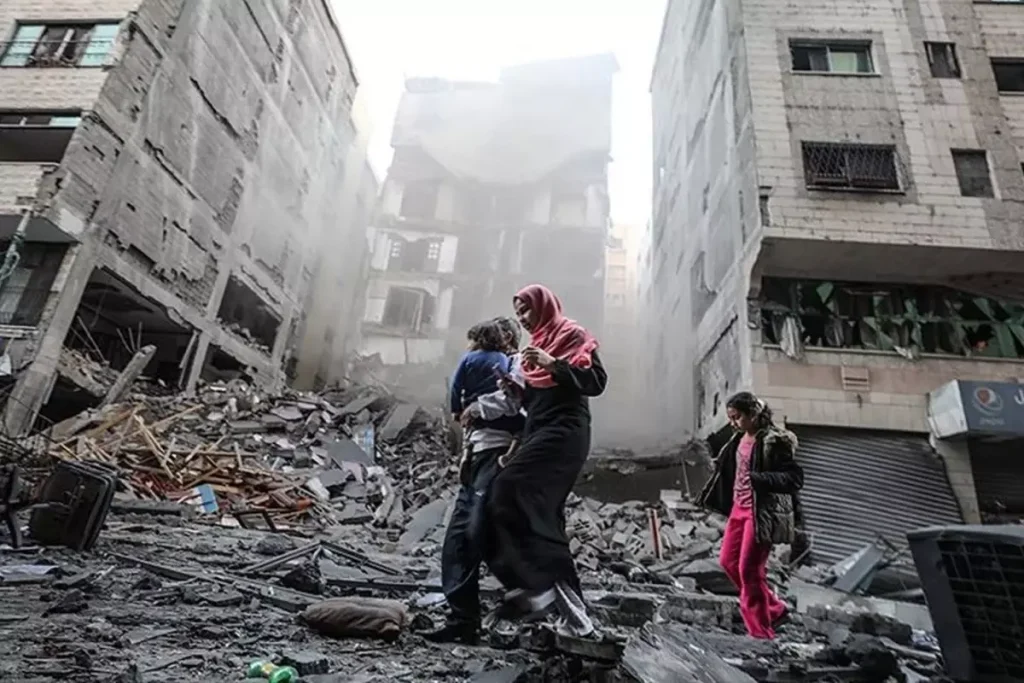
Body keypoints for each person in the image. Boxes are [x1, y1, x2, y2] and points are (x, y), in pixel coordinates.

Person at [476, 284, 606, 637]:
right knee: (538, 513)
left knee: (509, 491)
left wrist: (553, 363)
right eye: (517, 311)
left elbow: (595, 382)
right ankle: (569, 610)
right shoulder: (528, 354)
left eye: (526, 309)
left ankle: (538, 587)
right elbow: (533, 406)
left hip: (566, 431)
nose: (522, 317)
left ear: (544, 306)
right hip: (538, 431)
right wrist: (515, 392)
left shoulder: (571, 335)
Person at [426, 320, 524, 644]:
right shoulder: (489, 366)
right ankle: (463, 619)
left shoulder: (518, 364)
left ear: (510, 338)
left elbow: (519, 405)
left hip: (499, 457)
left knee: (480, 531)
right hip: (477, 457)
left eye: (504, 331)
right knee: (458, 539)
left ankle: (530, 602)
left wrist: (477, 408)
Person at [698, 391, 803, 640]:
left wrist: (760, 479)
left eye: (737, 417)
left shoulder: (773, 442)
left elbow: (794, 478)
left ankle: (760, 632)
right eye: (730, 417)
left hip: (760, 513)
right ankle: (775, 609)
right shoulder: (737, 439)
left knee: (749, 570)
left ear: (753, 415)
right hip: (738, 510)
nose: (733, 422)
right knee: (728, 562)